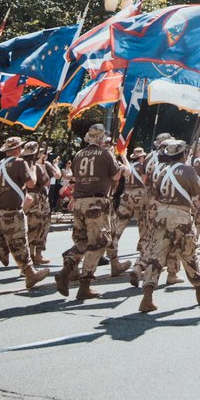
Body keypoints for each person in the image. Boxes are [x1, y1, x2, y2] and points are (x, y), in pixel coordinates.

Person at [137, 138, 200, 313]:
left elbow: (156, 191)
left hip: (161, 214)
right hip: (180, 215)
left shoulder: (161, 170)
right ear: (183, 154)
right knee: (188, 253)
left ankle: (147, 296)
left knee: (156, 256)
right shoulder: (188, 169)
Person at [0, 137, 48, 296]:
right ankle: (30, 273)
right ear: (18, 149)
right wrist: (32, 168)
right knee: (20, 241)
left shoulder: (0, 164)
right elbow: (31, 183)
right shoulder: (20, 163)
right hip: (11, 211)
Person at [55, 123, 125, 301]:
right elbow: (116, 176)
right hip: (97, 202)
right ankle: (85, 284)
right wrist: (123, 168)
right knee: (99, 242)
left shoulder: (79, 154)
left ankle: (68, 266)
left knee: (82, 239)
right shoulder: (105, 153)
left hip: (80, 201)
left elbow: (77, 178)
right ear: (101, 138)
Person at [22, 141, 53, 266]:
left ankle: (33, 254)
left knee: (30, 226)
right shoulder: (36, 166)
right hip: (37, 198)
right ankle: (33, 255)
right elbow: (46, 181)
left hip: (25, 196)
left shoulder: (21, 164)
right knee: (39, 226)